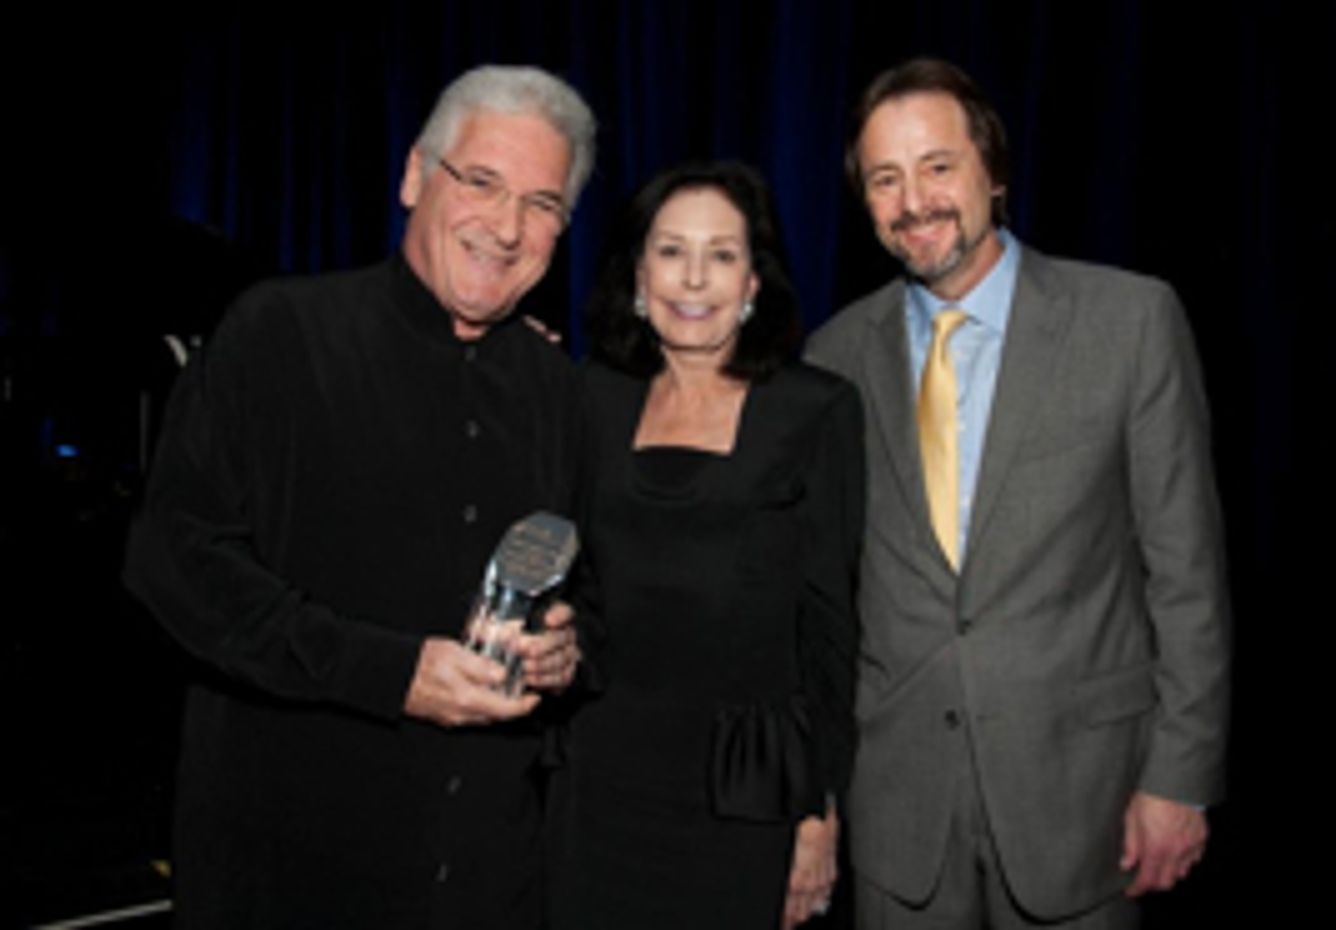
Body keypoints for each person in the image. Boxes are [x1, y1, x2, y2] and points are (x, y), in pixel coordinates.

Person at [124, 65, 595, 930]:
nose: (507, 226)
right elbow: (173, 563)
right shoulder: (278, 334)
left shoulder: (557, 391)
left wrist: (567, 651)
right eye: (482, 182)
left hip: (488, 880)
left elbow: (578, 587)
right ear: (415, 176)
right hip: (291, 874)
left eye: (542, 204)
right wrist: (392, 674)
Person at [805, 59, 1231, 929]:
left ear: (994, 174)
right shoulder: (833, 358)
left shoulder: (1130, 322)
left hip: (1085, 807)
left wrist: (1180, 777)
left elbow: (1186, 575)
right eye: (885, 179)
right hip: (899, 820)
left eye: (937, 166)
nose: (913, 199)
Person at [548, 162, 864, 930]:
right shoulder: (588, 395)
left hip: (747, 795)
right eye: (670, 251)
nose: (694, 279)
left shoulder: (815, 409)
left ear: (755, 281)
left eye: (722, 254)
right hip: (596, 782)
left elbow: (829, 629)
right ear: (636, 272)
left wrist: (817, 812)